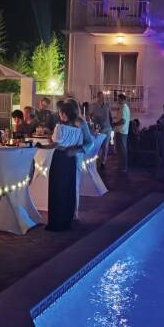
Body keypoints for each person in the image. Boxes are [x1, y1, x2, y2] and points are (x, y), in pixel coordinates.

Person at [37, 101, 83, 231]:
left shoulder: (59, 128)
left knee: (57, 189)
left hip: (60, 159)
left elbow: (55, 144)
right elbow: (79, 146)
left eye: (60, 112)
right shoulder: (78, 130)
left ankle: (56, 222)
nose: (59, 114)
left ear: (64, 114)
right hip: (71, 159)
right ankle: (66, 221)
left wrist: (42, 146)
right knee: (68, 189)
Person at [89, 91, 113, 168]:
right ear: (98, 97)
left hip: (107, 128)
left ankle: (103, 162)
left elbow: (110, 116)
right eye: (101, 96)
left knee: (105, 146)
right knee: (97, 145)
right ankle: (95, 160)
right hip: (98, 128)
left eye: (103, 96)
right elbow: (89, 115)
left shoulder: (107, 105)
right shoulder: (93, 105)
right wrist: (93, 121)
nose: (103, 98)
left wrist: (112, 125)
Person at [112, 93, 131, 173]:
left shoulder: (124, 108)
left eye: (119, 99)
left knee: (122, 150)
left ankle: (123, 167)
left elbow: (123, 121)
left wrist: (115, 124)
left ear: (122, 99)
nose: (118, 100)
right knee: (120, 150)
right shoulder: (122, 107)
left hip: (122, 131)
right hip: (119, 130)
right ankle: (121, 166)